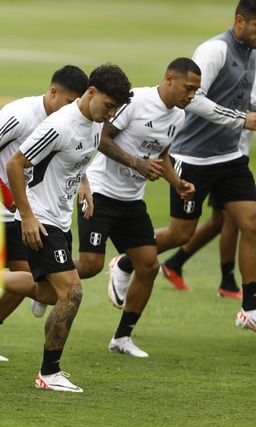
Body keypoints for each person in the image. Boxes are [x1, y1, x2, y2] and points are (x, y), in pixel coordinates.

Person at [110, 0, 256, 332]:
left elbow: (247, 99)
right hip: (192, 157)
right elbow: (196, 99)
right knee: (181, 233)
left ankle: (250, 307)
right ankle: (126, 260)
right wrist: (241, 120)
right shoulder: (215, 50)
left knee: (252, 222)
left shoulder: (252, 53)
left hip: (229, 157)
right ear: (239, 22)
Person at [5, 64, 132, 392]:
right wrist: (28, 216)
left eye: (116, 109)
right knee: (72, 293)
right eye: (108, 105)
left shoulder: (93, 121)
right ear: (91, 92)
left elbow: (74, 158)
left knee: (48, 293)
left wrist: (83, 184)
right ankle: (49, 373)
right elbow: (15, 164)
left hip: (60, 218)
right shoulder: (60, 125)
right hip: (41, 219)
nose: (111, 114)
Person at [0, 65, 89, 362]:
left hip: (17, 208)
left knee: (25, 278)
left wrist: (83, 183)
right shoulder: (22, 114)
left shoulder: (66, 122)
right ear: (53, 92)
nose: (72, 109)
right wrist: (10, 198)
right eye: (68, 102)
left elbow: (70, 158)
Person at [74, 58, 200, 358]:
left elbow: (162, 154)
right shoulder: (136, 101)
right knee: (90, 265)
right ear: (170, 78)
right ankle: (44, 278)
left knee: (148, 266)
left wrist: (176, 183)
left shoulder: (178, 117)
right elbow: (101, 140)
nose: (191, 95)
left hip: (131, 201)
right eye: (188, 88)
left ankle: (122, 338)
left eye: (196, 91)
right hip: (101, 193)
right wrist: (136, 163)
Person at [160, 84, 256, 297]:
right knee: (222, 222)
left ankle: (177, 264)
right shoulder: (239, 69)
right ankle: (227, 282)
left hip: (231, 158)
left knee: (224, 221)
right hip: (211, 156)